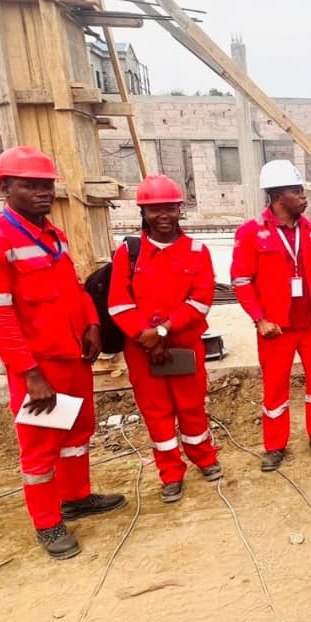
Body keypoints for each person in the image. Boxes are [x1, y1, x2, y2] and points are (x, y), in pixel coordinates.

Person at [0, 146, 125, 560]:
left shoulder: (53, 235)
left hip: (73, 358)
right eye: (30, 185)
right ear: (5, 187)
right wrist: (30, 373)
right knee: (41, 448)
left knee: (76, 435)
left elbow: (73, 289)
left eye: (47, 185)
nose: (42, 193)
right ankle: (47, 522)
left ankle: (76, 497)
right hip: (39, 367)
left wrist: (91, 323)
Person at [107, 174, 222, 503]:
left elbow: (200, 301)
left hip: (183, 344)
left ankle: (204, 457)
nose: (163, 215)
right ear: (143, 212)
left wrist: (161, 331)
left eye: (169, 208)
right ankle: (170, 473)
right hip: (141, 348)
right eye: (154, 209)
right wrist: (144, 336)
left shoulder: (197, 251)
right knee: (156, 413)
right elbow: (118, 303)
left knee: (191, 406)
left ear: (179, 209)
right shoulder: (129, 253)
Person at [231, 160, 311, 469]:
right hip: (275, 327)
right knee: (275, 387)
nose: (304, 197)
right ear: (277, 196)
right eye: (297, 192)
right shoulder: (251, 232)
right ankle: (275, 446)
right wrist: (259, 319)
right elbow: (241, 281)